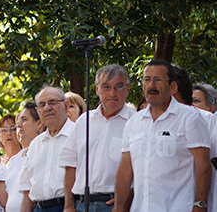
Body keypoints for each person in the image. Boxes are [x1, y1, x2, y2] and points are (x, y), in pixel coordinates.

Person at [113, 60, 212, 212]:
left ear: (172, 87)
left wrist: (200, 205)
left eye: (158, 80)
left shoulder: (190, 118)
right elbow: (125, 169)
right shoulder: (133, 123)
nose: (151, 85)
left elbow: (203, 166)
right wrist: (118, 207)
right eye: (147, 79)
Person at [60, 64, 135, 212]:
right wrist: (69, 206)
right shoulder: (84, 121)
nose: (112, 93)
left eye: (119, 86)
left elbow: (142, 167)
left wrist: (126, 199)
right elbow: (70, 164)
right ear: (97, 89)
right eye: (106, 87)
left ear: (127, 89)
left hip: (115, 206)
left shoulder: (136, 122)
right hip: (81, 204)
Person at [19, 86, 75, 212]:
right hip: (38, 208)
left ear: (66, 106)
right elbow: (27, 191)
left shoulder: (79, 135)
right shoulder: (35, 145)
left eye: (52, 103)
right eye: (42, 105)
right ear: (38, 111)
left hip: (69, 207)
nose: (47, 108)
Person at [5, 102, 46, 212]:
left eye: (24, 120)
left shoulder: (45, 151)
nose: (18, 125)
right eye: (18, 122)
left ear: (39, 123)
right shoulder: (14, 159)